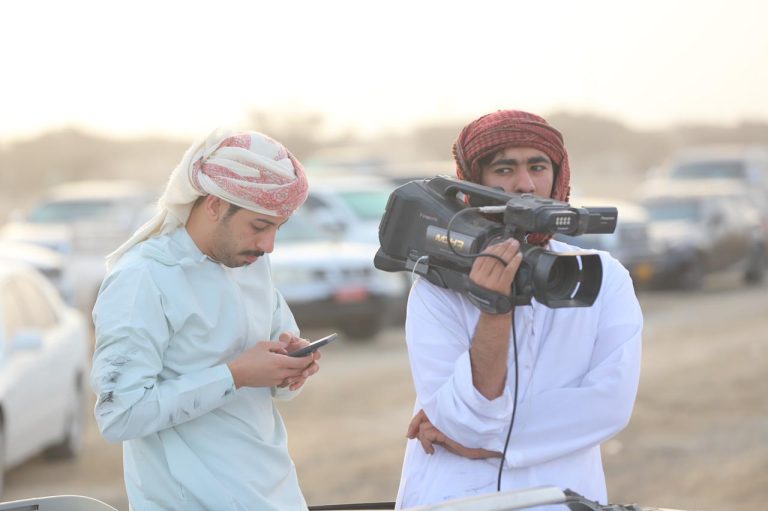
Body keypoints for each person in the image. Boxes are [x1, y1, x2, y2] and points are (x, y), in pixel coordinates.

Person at [395, 110, 643, 509]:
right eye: (504, 169)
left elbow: (609, 405)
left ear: (558, 176)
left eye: (537, 167)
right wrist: (493, 310)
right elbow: (461, 420)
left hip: (561, 497)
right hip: (453, 496)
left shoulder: (601, 275)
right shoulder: (437, 286)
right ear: (473, 182)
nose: (525, 184)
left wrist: (487, 441)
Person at [91, 130, 321, 511]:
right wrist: (235, 375)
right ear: (214, 205)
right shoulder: (143, 279)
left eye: (277, 229)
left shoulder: (251, 265)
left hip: (277, 498)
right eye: (259, 226)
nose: (269, 246)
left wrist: (291, 367)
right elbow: (120, 415)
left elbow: (276, 384)